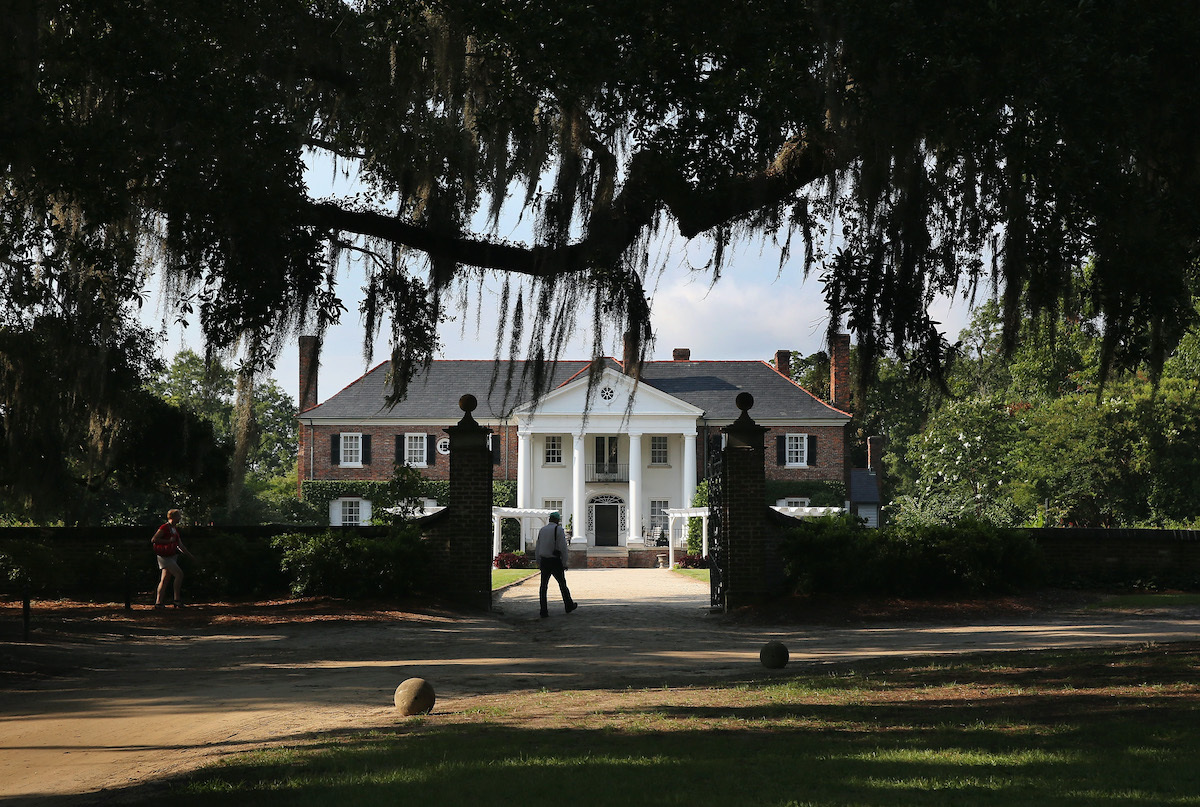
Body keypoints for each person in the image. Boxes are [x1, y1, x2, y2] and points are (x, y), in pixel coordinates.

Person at [535, 511, 578, 618]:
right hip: (555, 560)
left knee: (543, 586)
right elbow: (563, 547)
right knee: (562, 584)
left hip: (544, 560)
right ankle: (568, 605)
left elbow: (538, 546)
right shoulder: (558, 530)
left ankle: (543, 610)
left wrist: (538, 560)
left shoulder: (542, 530)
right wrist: (564, 562)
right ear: (557, 520)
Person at [151, 509, 192, 609]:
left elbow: (180, 545)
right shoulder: (164, 527)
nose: (180, 518)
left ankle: (159, 602)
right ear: (172, 517)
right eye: (178, 516)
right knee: (179, 574)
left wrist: (189, 555)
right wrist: (168, 541)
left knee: (165, 579)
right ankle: (177, 600)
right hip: (164, 557)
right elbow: (154, 539)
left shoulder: (174, 529)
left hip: (172, 556)